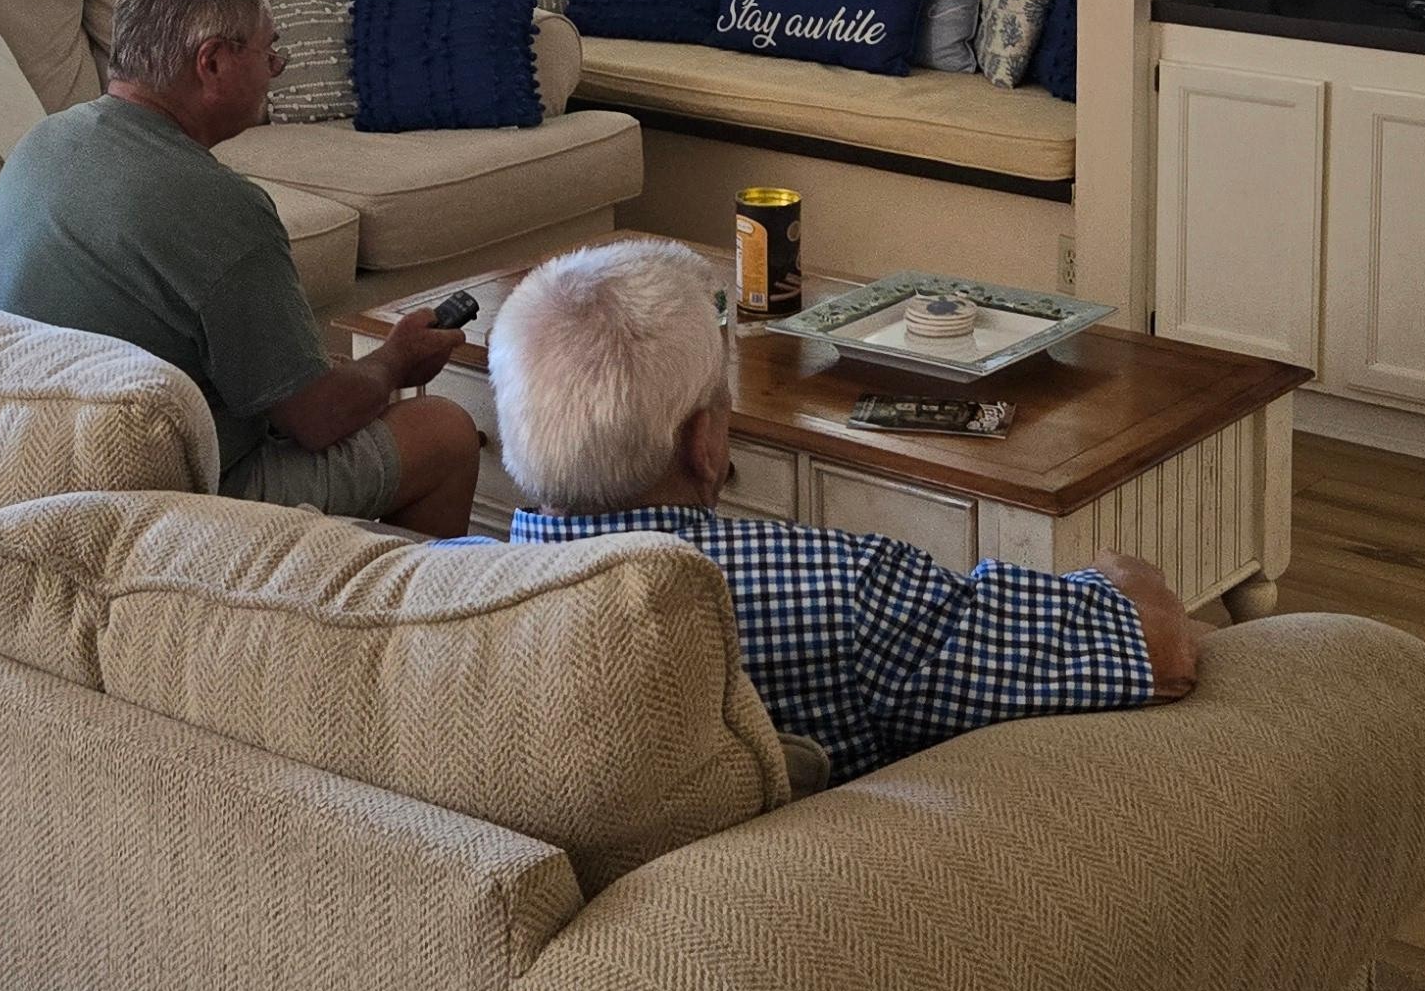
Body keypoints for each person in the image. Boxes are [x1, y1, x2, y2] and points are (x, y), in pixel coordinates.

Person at [489, 236, 1200, 779]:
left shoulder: (452, 591)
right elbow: (1158, 652)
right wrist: (1116, 567)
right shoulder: (841, 592)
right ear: (703, 444)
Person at [0, 0, 477, 530]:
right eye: (270, 52)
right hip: (154, 500)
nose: (274, 72)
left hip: (10, 464)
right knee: (443, 432)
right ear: (212, 63)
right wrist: (395, 361)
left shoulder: (44, 142)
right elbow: (319, 418)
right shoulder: (220, 207)